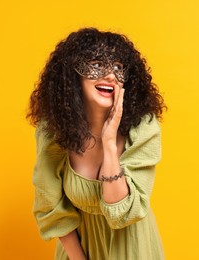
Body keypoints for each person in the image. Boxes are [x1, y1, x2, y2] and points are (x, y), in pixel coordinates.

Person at [27, 27, 166, 260]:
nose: (110, 75)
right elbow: (51, 208)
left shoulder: (143, 128)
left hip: (133, 249)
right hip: (76, 252)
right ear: (74, 74)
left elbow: (123, 214)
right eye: (98, 65)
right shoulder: (53, 132)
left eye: (118, 68)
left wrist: (109, 142)